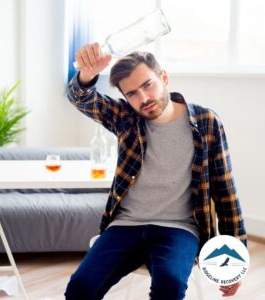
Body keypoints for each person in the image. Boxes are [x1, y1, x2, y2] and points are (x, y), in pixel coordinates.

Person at [64, 42, 247, 300]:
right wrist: (87, 75)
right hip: (125, 225)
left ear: (164, 77)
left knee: (169, 286)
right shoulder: (126, 118)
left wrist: (235, 260)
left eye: (147, 85)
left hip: (179, 229)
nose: (144, 99)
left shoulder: (206, 123)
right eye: (132, 94)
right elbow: (80, 97)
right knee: (80, 286)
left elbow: (225, 192)